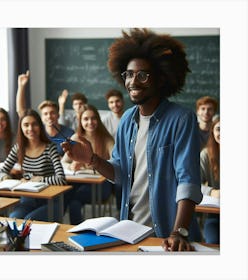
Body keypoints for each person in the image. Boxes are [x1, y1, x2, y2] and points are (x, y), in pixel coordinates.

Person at [62, 28, 203, 251]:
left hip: (168, 234)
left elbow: (188, 182)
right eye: (128, 74)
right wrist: (92, 159)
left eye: (142, 75)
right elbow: (120, 172)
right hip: (131, 231)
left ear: (161, 78)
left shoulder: (181, 119)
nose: (133, 81)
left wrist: (179, 232)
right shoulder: (127, 119)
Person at [0, 109, 68, 221]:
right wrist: (6, 178)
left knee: (28, 221)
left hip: (50, 202)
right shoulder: (18, 148)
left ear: (40, 126)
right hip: (28, 200)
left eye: (34, 124)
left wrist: (39, 179)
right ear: (21, 128)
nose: (30, 129)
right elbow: (2, 171)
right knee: (13, 219)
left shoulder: (50, 148)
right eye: (26, 125)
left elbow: (61, 179)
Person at [61, 104, 114, 224]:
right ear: (80, 121)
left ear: (98, 120)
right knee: (67, 197)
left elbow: (115, 163)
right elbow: (63, 162)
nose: (90, 122)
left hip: (102, 185)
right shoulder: (75, 138)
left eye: (93, 118)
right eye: (86, 119)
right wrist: (71, 165)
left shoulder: (106, 139)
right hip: (81, 183)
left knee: (73, 200)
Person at [16, 70, 74, 157]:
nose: (49, 116)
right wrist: (21, 87)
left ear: (58, 115)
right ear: (41, 117)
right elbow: (21, 113)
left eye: (52, 113)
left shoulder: (69, 133)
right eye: (45, 114)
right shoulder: (37, 131)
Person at [200, 116, 220, 244]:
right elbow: (195, 184)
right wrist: (212, 191)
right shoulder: (206, 154)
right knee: (212, 242)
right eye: (218, 129)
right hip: (215, 215)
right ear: (212, 132)